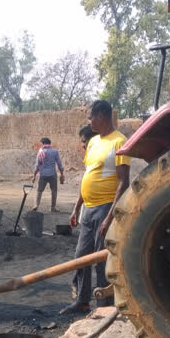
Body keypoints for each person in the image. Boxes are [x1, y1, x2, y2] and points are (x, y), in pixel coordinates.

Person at [61, 100, 130, 314]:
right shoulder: (93, 142)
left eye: (90, 117)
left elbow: (123, 182)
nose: (88, 121)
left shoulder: (120, 142)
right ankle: (82, 301)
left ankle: (103, 307)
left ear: (102, 115)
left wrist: (110, 218)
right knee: (81, 258)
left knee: (101, 261)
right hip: (88, 209)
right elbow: (88, 176)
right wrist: (76, 208)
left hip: (105, 208)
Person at [70, 124, 98, 300]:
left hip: (102, 210)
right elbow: (85, 184)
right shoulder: (90, 157)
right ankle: (81, 294)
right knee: (81, 254)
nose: (82, 146)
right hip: (88, 210)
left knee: (99, 258)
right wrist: (76, 208)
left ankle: (103, 300)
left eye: (84, 142)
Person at [31, 137, 64, 212]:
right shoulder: (55, 151)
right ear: (50, 143)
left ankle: (36, 205)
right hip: (52, 174)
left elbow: (37, 164)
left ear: (43, 143)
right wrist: (62, 173)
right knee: (54, 191)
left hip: (43, 174)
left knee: (39, 190)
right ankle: (53, 208)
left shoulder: (40, 151)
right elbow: (59, 163)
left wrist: (34, 176)